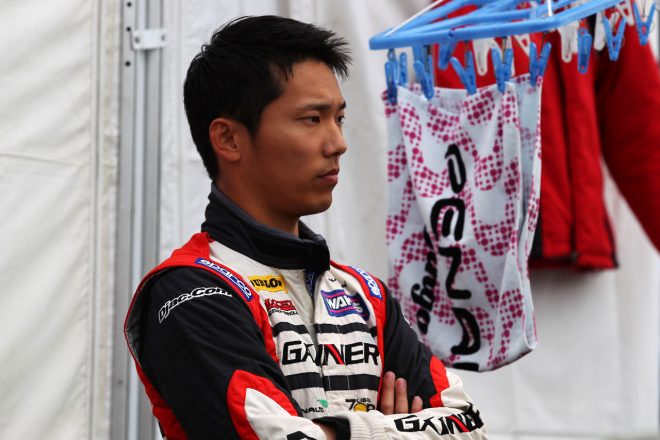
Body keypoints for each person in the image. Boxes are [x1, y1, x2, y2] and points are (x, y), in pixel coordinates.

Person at [125, 15, 487, 440]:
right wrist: (390, 428)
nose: (338, 143)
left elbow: (469, 428)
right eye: (313, 119)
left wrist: (338, 432)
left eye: (339, 118)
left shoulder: (367, 295)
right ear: (228, 139)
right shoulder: (190, 291)